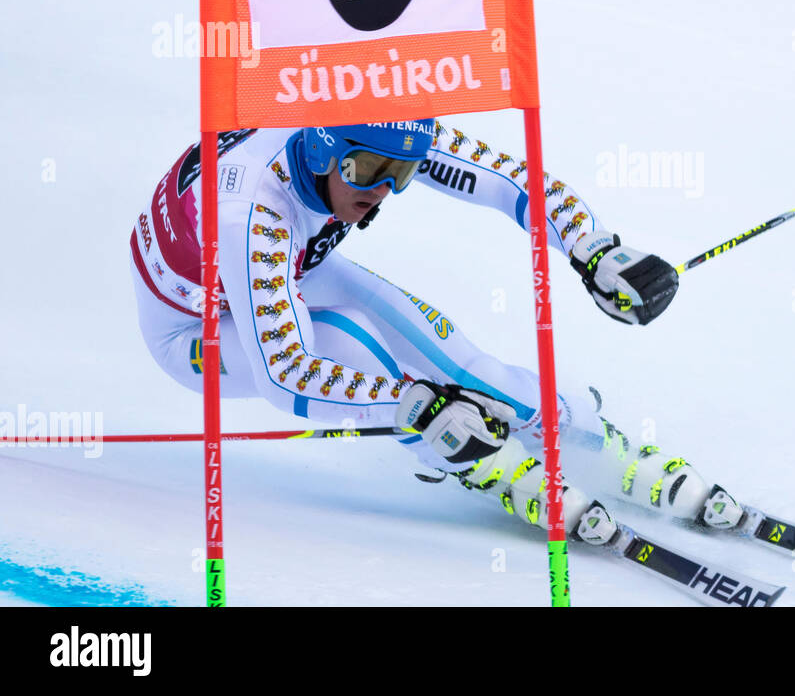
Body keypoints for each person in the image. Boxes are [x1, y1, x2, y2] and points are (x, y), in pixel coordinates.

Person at [129, 119, 744, 545]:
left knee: (464, 367)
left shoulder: (381, 128)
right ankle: (482, 461)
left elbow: (510, 180)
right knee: (350, 346)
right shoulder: (252, 215)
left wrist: (593, 249)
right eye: (369, 171)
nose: (384, 191)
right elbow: (284, 375)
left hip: (298, 265)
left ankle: (595, 445)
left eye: (403, 173)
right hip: (194, 327)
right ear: (320, 153)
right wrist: (413, 407)